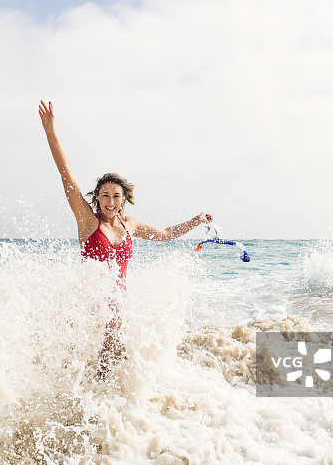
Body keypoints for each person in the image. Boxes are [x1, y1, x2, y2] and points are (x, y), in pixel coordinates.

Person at [38, 100, 212, 374]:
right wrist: (50, 130)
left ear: (123, 200)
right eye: (105, 195)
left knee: (114, 363)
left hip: (117, 303)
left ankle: (109, 411)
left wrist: (196, 220)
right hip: (90, 305)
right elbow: (66, 175)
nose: (110, 201)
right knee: (86, 364)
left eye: (116, 196)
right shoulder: (87, 221)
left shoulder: (129, 225)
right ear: (97, 197)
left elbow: (166, 234)